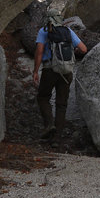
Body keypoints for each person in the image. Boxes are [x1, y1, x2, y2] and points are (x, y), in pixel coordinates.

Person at [32, 8, 87, 143]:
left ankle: (49, 125)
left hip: (50, 70)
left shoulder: (44, 31)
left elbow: (39, 52)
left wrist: (35, 71)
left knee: (43, 97)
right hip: (66, 72)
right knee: (61, 104)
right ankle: (57, 139)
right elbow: (84, 49)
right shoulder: (68, 31)